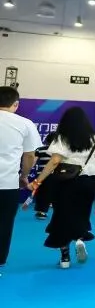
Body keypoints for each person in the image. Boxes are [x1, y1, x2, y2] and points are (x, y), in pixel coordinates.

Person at [29, 107, 95, 268]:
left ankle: (65, 257)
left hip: (65, 181)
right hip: (88, 182)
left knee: (62, 216)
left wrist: (38, 181)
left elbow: (54, 161)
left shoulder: (61, 137)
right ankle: (79, 239)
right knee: (81, 213)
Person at [0, 87, 40, 273]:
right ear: (16, 104)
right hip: (8, 183)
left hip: (9, 183)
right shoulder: (25, 123)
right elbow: (30, 155)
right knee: (4, 222)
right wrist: (24, 176)